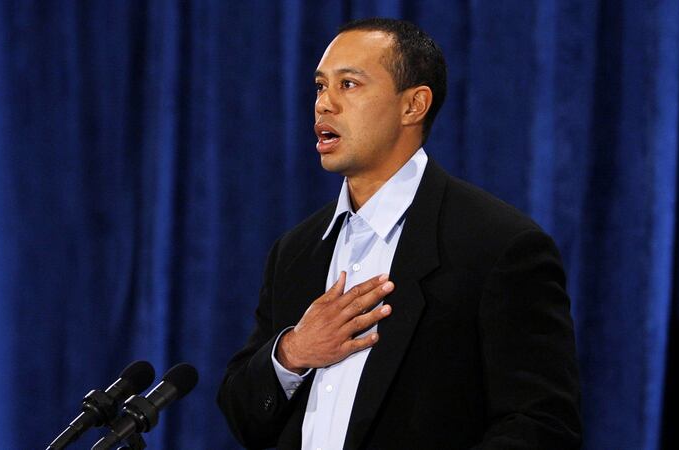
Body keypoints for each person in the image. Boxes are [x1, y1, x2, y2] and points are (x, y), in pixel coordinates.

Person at [217, 18, 581, 449]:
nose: (324, 104)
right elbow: (244, 418)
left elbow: (541, 426)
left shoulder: (498, 246)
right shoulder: (295, 251)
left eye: (348, 84)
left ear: (414, 105)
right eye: (320, 86)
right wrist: (293, 352)